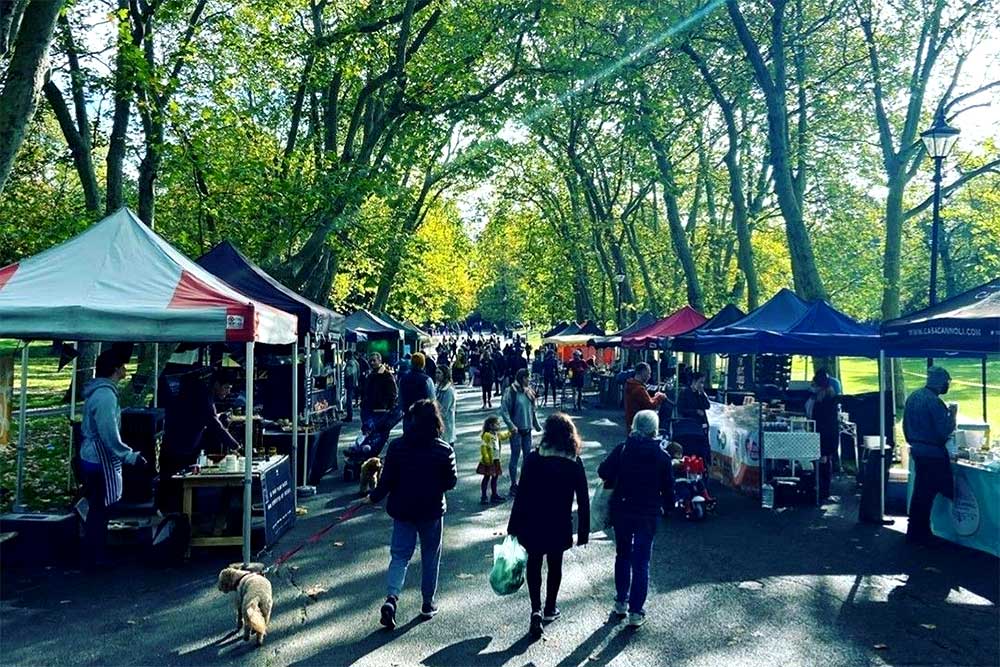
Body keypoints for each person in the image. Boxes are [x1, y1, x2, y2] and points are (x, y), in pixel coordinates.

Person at [369, 400, 458, 628]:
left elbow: (387, 480)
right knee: (430, 557)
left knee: (399, 556)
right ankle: (427, 604)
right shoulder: (444, 450)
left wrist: (373, 496)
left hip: (403, 509)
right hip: (431, 511)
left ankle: (391, 598)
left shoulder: (397, 447)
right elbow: (451, 482)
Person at [506, 412, 590, 640]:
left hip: (533, 521)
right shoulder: (574, 462)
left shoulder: (534, 459)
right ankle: (550, 608)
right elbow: (583, 499)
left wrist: (513, 527)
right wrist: (583, 531)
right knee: (555, 565)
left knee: (534, 563)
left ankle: (535, 608)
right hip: (559, 523)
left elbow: (521, 495)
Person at [598, 410, 673, 628]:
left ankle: (621, 601)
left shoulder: (622, 450)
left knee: (623, 555)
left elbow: (603, 471)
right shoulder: (662, 457)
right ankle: (636, 611)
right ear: (654, 429)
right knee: (642, 562)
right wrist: (668, 507)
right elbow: (668, 488)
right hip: (647, 514)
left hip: (622, 509)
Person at [80, 350, 146, 568]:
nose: (126, 369)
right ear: (116, 369)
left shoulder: (101, 392)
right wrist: (128, 455)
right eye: (124, 365)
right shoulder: (105, 396)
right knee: (101, 508)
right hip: (99, 459)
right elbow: (109, 433)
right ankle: (94, 555)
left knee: (100, 507)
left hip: (94, 456)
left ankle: (94, 552)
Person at [157, 369, 242, 512]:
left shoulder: (202, 393)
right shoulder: (203, 396)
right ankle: (174, 516)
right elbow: (214, 424)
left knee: (174, 484)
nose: (227, 392)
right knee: (174, 484)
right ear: (216, 384)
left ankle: (176, 513)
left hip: (183, 444)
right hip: (179, 445)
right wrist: (236, 446)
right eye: (226, 387)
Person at [903, 366, 957, 545]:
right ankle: (921, 532)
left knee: (920, 492)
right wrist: (953, 415)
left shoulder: (913, 397)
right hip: (932, 453)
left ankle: (915, 529)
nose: (947, 386)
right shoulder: (934, 402)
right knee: (927, 493)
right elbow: (944, 430)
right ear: (941, 382)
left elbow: (905, 426)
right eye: (947, 383)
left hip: (917, 450)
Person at [501, 368, 542, 497]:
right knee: (515, 457)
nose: (528, 380)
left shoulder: (529, 391)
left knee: (527, 458)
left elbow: (532, 410)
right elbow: (504, 411)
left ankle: (525, 483)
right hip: (516, 431)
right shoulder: (511, 392)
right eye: (526, 377)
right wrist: (511, 426)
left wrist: (536, 425)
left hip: (527, 429)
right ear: (521, 378)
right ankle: (513, 484)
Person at [807, 370, 838, 501]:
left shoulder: (823, 399)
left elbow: (814, 416)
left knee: (822, 463)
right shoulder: (828, 395)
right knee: (824, 462)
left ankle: (822, 491)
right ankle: (823, 490)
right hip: (826, 435)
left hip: (823, 435)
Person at [623, 363, 667, 434]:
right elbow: (650, 405)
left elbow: (646, 401)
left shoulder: (630, 384)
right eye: (648, 373)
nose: (649, 376)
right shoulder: (639, 389)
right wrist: (659, 397)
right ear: (643, 372)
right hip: (641, 421)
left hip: (632, 420)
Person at [478, 415, 509, 504]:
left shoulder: (497, 434)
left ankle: (494, 495)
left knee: (495, 478)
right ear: (491, 425)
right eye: (497, 424)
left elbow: (503, 436)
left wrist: (510, 432)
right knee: (487, 477)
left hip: (496, 460)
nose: (499, 426)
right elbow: (483, 447)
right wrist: (486, 458)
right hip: (489, 461)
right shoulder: (487, 435)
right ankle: (484, 496)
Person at [363, 352, 397, 422]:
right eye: (370, 361)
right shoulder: (371, 375)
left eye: (374, 360)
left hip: (382, 410)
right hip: (371, 410)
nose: (372, 363)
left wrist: (388, 408)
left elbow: (393, 393)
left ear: (379, 361)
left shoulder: (386, 375)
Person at [435, 365, 456, 446]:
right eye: (436, 373)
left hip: (446, 424)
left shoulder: (448, 390)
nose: (437, 375)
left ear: (445, 374)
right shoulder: (438, 387)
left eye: (439, 373)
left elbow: (444, 410)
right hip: (439, 425)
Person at [343, 351, 360, 422]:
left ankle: (349, 416)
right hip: (354, 383)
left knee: (349, 401)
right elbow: (358, 373)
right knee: (349, 399)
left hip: (350, 384)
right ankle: (349, 416)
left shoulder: (350, 363)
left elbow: (348, 373)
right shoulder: (356, 362)